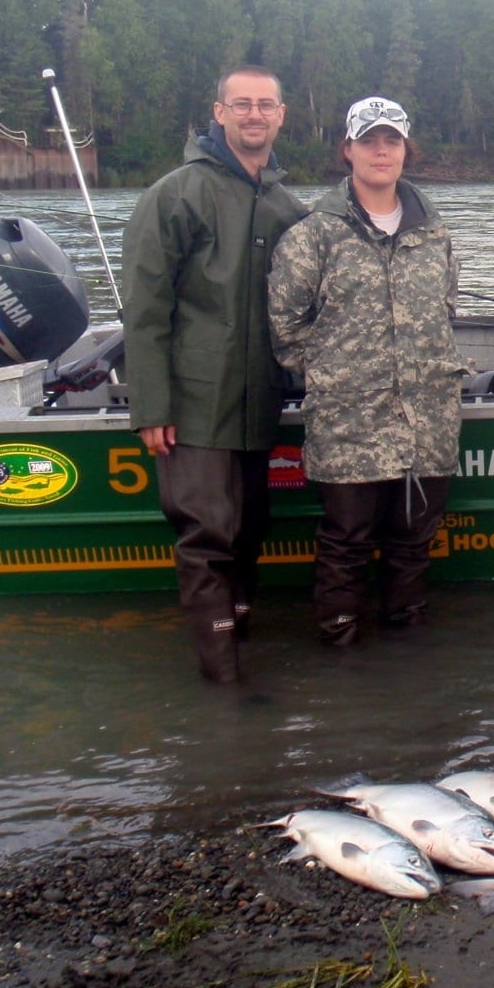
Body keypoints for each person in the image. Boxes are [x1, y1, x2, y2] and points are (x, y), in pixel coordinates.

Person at [123, 66, 307, 682]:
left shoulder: (286, 206)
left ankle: (242, 641)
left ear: (282, 115)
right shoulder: (175, 194)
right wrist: (151, 407)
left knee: (251, 528)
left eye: (266, 105)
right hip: (193, 405)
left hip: (259, 402)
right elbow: (144, 311)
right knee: (208, 537)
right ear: (219, 112)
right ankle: (221, 680)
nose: (255, 115)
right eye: (242, 105)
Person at [267, 96, 464, 646]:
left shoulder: (434, 230)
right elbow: (284, 327)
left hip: (427, 423)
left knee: (413, 548)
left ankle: (407, 662)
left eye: (392, 140)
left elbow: (444, 310)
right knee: (345, 545)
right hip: (349, 428)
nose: (381, 150)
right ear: (348, 149)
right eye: (369, 140)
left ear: (406, 150)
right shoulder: (313, 234)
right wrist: (336, 377)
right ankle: (341, 654)